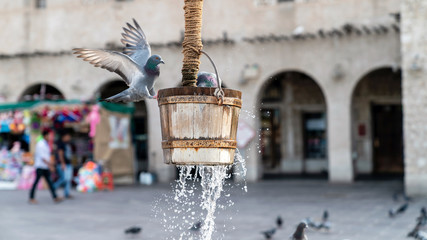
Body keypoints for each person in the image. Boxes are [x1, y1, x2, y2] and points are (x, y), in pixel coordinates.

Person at [29, 130, 62, 204]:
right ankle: (31, 197)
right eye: (49, 136)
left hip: (45, 166)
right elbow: (43, 157)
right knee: (36, 182)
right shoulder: (40, 144)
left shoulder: (45, 144)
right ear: (45, 136)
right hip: (40, 166)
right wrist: (50, 165)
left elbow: (47, 156)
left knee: (49, 182)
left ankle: (55, 197)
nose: (50, 137)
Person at [53, 131, 74, 199]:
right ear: (64, 136)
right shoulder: (61, 144)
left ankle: (67, 193)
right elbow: (60, 154)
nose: (69, 137)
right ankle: (53, 187)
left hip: (68, 163)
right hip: (63, 164)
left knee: (68, 179)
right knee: (64, 178)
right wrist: (62, 163)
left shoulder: (67, 144)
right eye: (68, 136)